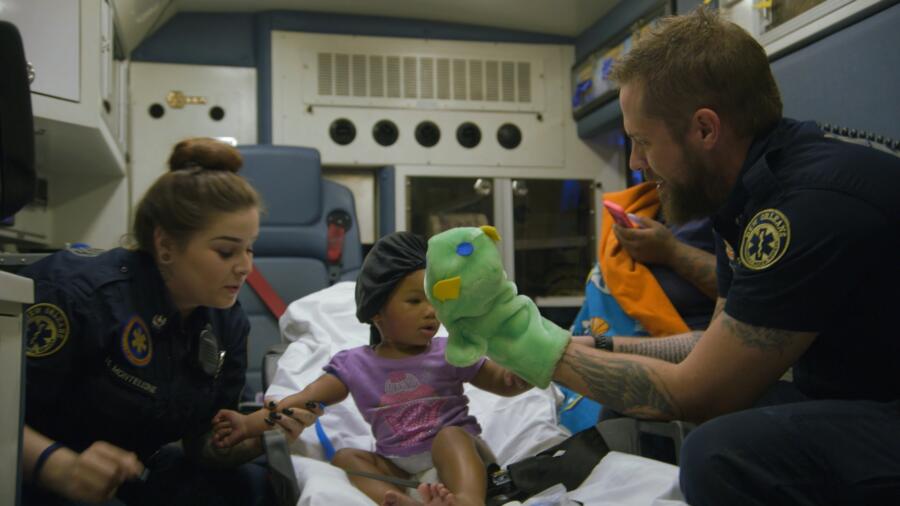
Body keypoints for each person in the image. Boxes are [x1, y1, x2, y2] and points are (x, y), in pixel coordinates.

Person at [451, 8, 900, 505]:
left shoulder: (806, 206)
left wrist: (522, 342)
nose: (636, 163)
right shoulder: (747, 200)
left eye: (642, 142)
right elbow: (714, 344)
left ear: (705, 129)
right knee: (631, 412)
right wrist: (594, 348)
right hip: (859, 393)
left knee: (718, 453)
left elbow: (702, 393)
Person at [19, 138, 303, 505]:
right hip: (39, 476)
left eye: (250, 248)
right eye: (226, 250)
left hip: (134, 473)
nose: (245, 266)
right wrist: (58, 466)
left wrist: (259, 434)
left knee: (250, 486)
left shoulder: (225, 322)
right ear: (166, 246)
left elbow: (203, 446)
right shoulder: (79, 294)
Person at [212, 231, 531, 506]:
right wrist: (247, 425)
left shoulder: (449, 351)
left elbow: (503, 382)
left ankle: (467, 502)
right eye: (415, 301)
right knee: (346, 459)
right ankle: (406, 501)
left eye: (435, 300)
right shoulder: (356, 366)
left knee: (450, 437)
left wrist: (528, 368)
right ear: (377, 310)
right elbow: (302, 400)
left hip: (464, 463)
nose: (431, 312)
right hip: (403, 471)